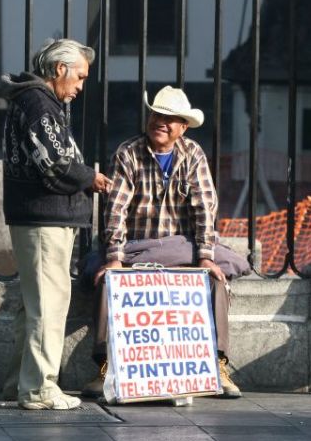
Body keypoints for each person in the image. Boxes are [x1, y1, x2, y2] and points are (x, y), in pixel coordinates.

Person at [82, 85, 246, 399]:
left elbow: (205, 207)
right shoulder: (128, 152)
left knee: (215, 280)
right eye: (158, 114)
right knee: (107, 280)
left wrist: (206, 256)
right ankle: (107, 367)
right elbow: (115, 208)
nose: (162, 122)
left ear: (183, 127)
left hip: (183, 247)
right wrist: (115, 257)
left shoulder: (192, 154)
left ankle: (217, 364)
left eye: (171, 119)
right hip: (137, 248)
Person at [0, 38, 112, 410]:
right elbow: (56, 164)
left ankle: (19, 380)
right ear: (60, 69)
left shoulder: (33, 100)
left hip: (37, 215)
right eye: (79, 77)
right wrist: (90, 178)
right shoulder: (38, 103)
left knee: (34, 303)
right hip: (43, 216)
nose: (80, 86)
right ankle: (38, 387)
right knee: (48, 303)